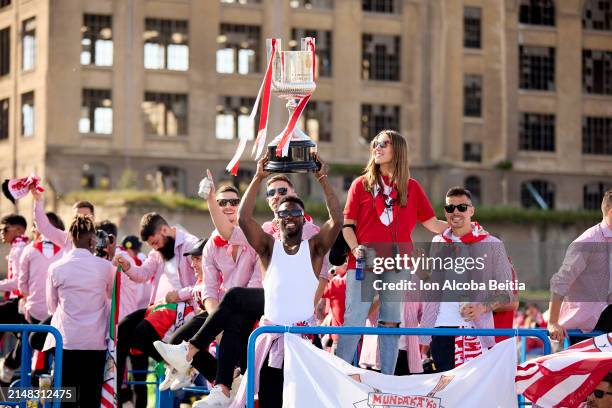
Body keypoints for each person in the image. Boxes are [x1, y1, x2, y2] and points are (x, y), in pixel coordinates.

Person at [153, 172, 330, 406]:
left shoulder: (309, 230)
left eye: (282, 191)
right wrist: (212, 199)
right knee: (232, 318)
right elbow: (231, 232)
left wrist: (305, 311)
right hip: (266, 307)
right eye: (271, 193)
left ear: (294, 194)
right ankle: (222, 386)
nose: (277, 196)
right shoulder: (266, 229)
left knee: (235, 297)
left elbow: (323, 276)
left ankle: (192, 351)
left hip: (293, 310)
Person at [229, 152, 342, 408]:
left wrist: (323, 179)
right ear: (276, 221)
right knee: (271, 402)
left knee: (304, 402)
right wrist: (258, 177)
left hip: (304, 340)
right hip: (272, 341)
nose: (289, 216)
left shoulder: (314, 249)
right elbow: (244, 219)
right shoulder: (268, 249)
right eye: (284, 213)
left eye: (295, 212)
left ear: (303, 218)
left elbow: (337, 220)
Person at [337, 130, 448, 375]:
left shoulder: (412, 188)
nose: (376, 147)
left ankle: (387, 378)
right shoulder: (361, 184)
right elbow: (347, 227)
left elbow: (432, 224)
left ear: (397, 150)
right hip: (364, 263)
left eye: (383, 144)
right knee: (354, 318)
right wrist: (356, 248)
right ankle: (340, 373)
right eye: (375, 143)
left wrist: (462, 225)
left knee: (390, 321)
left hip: (398, 264)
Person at [153, 181, 260, 394]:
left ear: (241, 205)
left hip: (253, 306)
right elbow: (208, 290)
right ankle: (223, 378)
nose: (228, 206)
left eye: (234, 202)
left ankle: (227, 384)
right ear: (214, 209)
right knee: (177, 339)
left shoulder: (254, 235)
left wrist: (221, 319)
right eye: (221, 202)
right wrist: (215, 319)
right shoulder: (211, 244)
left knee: (232, 324)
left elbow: (255, 285)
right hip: (224, 307)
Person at [419, 186, 514, 372]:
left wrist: (481, 307)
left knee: (472, 396)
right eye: (450, 208)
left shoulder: (493, 244)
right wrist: (425, 334)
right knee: (445, 395)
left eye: (462, 207)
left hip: (474, 331)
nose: (455, 212)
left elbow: (506, 294)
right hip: (440, 330)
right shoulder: (438, 242)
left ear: (471, 210)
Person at [114, 212, 200, 394]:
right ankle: (114, 389)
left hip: (183, 308)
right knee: (123, 328)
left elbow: (204, 283)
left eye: (155, 243)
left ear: (164, 230)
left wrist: (178, 294)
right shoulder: (158, 250)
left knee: (140, 334)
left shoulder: (191, 245)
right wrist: (127, 266)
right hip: (160, 307)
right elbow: (143, 274)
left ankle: (179, 366)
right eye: (151, 246)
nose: (155, 248)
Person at [42, 214, 114, 407]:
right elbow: (110, 297)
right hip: (95, 343)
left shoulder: (56, 268)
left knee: (66, 399)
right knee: (90, 398)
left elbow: (51, 306)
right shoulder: (106, 268)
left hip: (66, 342)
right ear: (92, 240)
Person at [548, 190, 612, 344]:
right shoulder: (588, 241)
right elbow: (560, 281)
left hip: (602, 319)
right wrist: (552, 322)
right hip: (583, 325)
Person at [0, 214, 29, 382]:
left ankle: (9, 366)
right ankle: (9, 366)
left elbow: (18, 282)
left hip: (19, 302)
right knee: (23, 338)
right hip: (17, 302)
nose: (2, 233)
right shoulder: (19, 247)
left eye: (5, 229)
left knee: (25, 337)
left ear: (18, 230)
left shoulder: (20, 249)